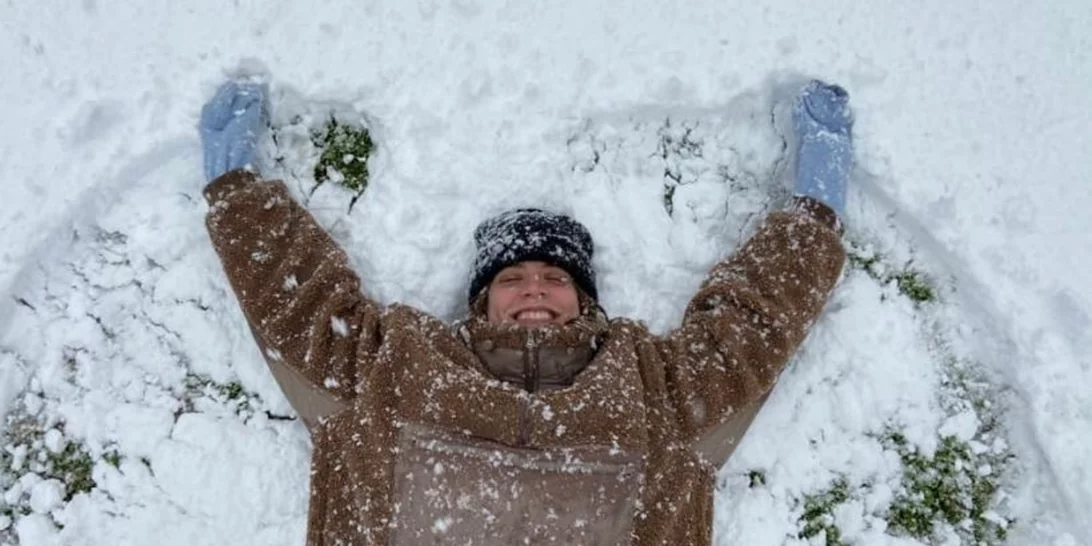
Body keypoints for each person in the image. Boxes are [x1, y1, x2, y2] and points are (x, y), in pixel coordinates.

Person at [199, 78, 850, 546]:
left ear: (584, 301)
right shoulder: (401, 367)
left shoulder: (648, 386)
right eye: (511, 278)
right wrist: (236, 187)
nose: (534, 289)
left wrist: (814, 211)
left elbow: (746, 332)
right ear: (481, 301)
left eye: (555, 278)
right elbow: (305, 307)